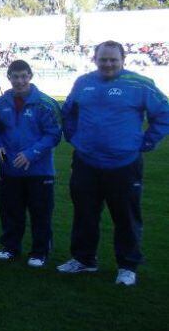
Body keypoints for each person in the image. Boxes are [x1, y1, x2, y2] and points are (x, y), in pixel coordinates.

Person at [58, 40, 169, 286]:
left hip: (124, 164)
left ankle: (127, 266)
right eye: (103, 59)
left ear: (123, 60)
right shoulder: (83, 82)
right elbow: (68, 111)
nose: (108, 64)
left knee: (126, 217)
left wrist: (146, 142)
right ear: (95, 59)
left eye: (113, 60)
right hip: (86, 162)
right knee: (85, 214)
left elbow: (164, 113)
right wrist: (75, 137)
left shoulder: (139, 84)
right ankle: (84, 259)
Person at [0, 60, 62, 267]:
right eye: (15, 76)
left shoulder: (45, 103)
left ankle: (39, 252)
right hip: (10, 169)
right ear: (9, 78)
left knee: (40, 213)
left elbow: (54, 134)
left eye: (24, 76)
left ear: (30, 76)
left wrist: (32, 154)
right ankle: (10, 247)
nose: (20, 81)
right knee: (11, 211)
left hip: (39, 170)